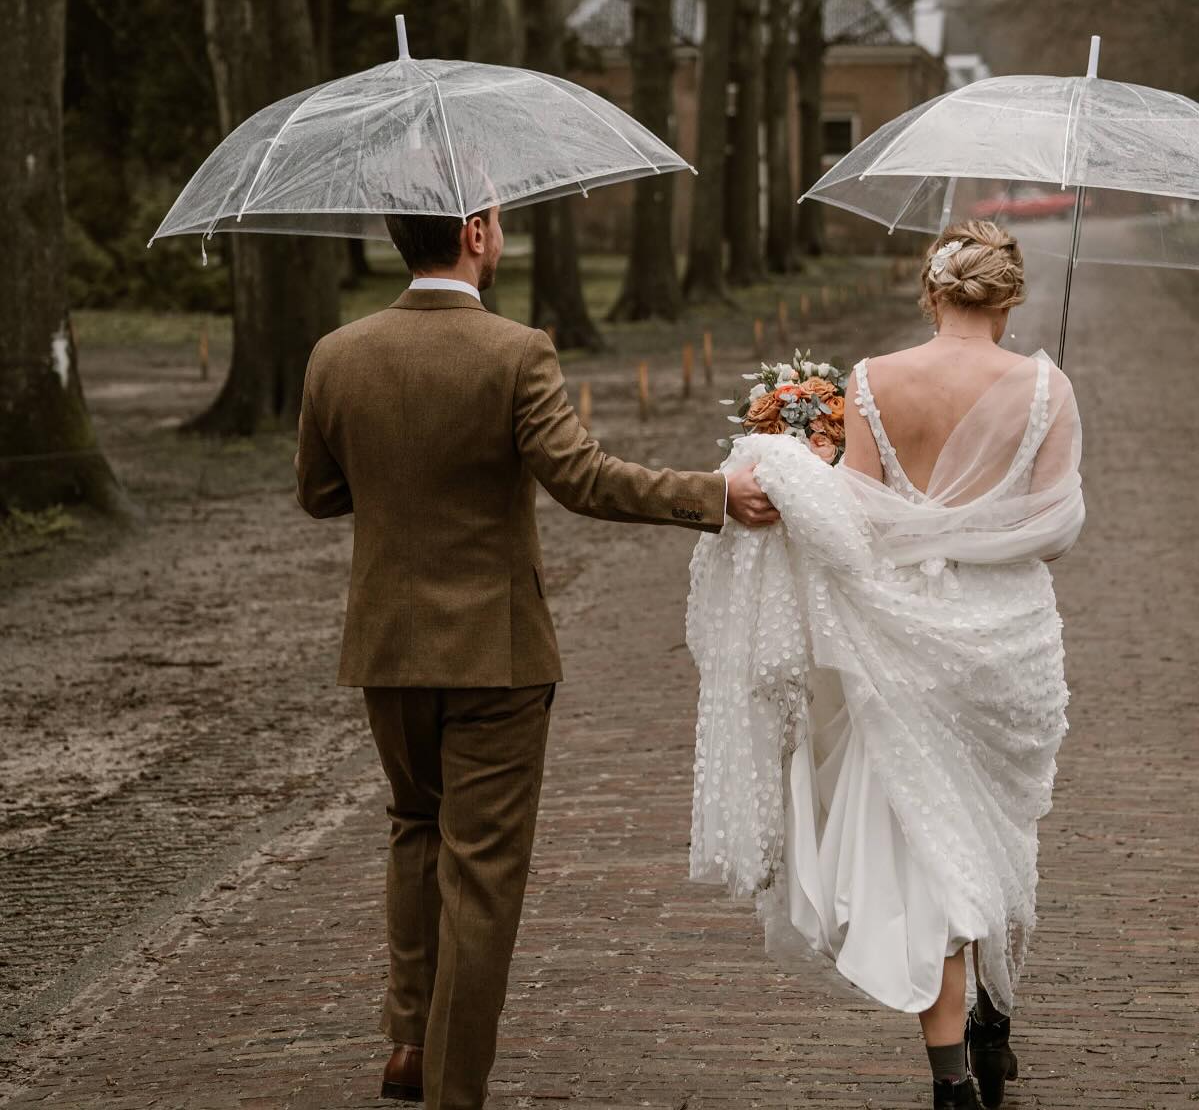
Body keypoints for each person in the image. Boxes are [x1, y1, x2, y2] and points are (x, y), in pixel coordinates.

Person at [294, 205, 776, 1109]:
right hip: (497, 653)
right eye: (501, 220)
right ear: (475, 233)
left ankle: (407, 1042)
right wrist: (714, 493)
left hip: (386, 649)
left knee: (414, 827)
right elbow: (583, 478)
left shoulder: (334, 354)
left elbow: (320, 494)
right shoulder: (517, 351)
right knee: (481, 870)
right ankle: (453, 1088)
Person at [688, 220, 1085, 1110]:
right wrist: (981, 523)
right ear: (1010, 297)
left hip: (900, 632)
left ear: (931, 290)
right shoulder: (1047, 388)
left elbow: (855, 527)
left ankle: (952, 1075)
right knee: (992, 831)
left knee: (928, 839)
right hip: (1004, 638)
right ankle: (988, 1025)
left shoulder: (871, 382)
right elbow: (1055, 533)